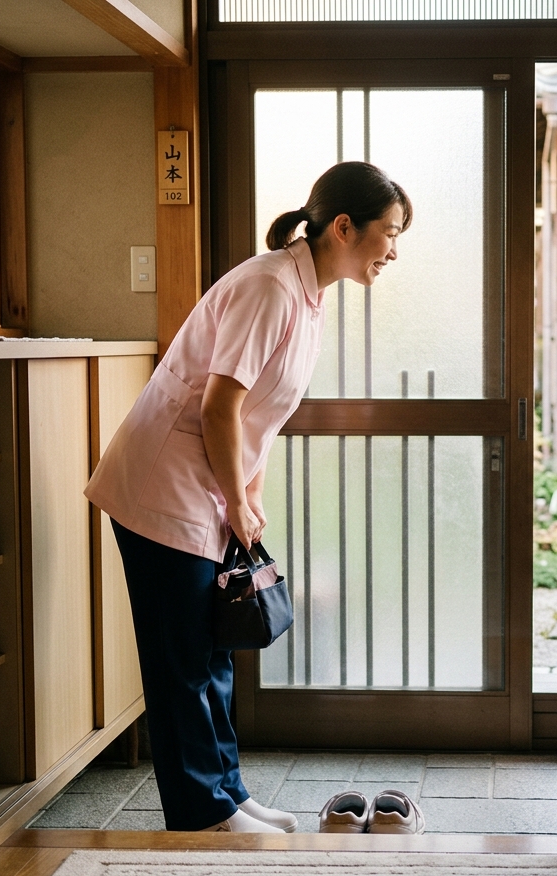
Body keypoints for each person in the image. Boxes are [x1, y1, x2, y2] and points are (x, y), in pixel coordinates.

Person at [85, 162, 411, 833]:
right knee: (182, 660)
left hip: (203, 490)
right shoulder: (270, 287)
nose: (395, 250)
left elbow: (258, 412)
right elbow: (220, 404)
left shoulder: (307, 292)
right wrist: (237, 500)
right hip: (163, 487)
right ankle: (203, 813)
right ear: (344, 227)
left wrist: (246, 499)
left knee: (213, 648)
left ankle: (227, 794)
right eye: (390, 232)